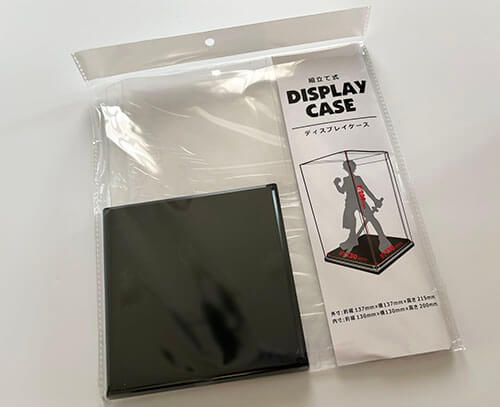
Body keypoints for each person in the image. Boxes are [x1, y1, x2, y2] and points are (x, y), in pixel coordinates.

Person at [334, 160, 392, 253]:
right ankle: (352, 239)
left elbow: (366, 189)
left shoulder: (358, 178)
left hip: (360, 201)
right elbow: (342, 191)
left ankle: (383, 239)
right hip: (349, 202)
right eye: (347, 167)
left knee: (371, 218)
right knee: (350, 220)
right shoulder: (346, 179)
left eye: (350, 167)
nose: (349, 169)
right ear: (345, 169)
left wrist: (375, 200)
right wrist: (336, 184)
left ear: (354, 168)